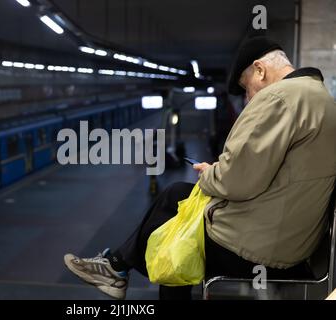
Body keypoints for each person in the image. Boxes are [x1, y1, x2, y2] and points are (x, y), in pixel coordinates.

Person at [63, 36, 336, 300]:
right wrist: (222, 171)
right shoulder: (320, 97)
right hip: (294, 239)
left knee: (175, 237)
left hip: (263, 249)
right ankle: (116, 265)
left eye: (247, 87)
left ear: (260, 70)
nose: (250, 97)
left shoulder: (278, 99)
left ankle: (116, 267)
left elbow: (236, 183)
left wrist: (210, 174)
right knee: (177, 196)